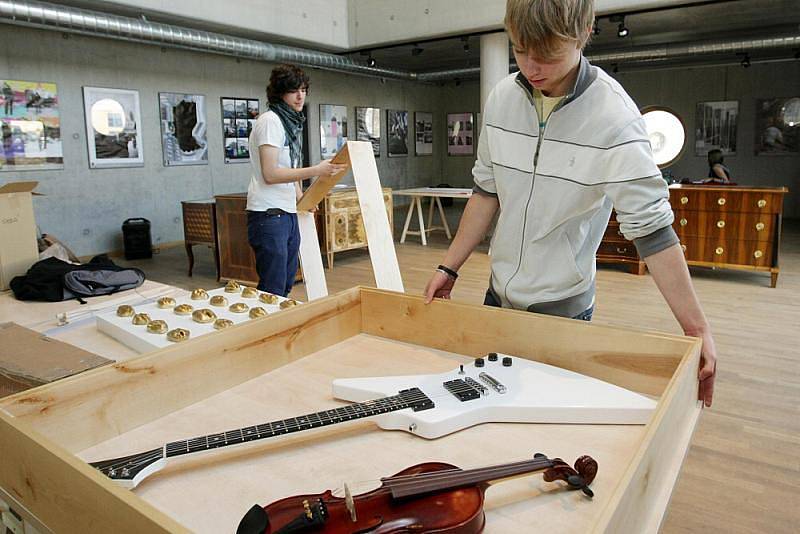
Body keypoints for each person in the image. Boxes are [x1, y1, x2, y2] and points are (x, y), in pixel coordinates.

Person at [423, 0, 716, 407]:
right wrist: (448, 267)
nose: (531, 67)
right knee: (488, 408)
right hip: (497, 297)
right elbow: (486, 192)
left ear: (584, 33)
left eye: (547, 55)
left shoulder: (615, 118)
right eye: (520, 50)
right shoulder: (502, 100)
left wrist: (696, 328)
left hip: (563, 309)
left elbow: (652, 231)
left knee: (544, 418)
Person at [247, 64, 346, 296]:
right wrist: (317, 170)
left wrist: (303, 200)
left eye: (303, 89)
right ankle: (268, 332)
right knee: (272, 289)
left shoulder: (288, 123)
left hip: (286, 212)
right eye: (293, 90)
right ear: (280, 93)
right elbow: (270, 174)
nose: (300, 95)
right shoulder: (271, 121)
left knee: (285, 285)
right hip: (269, 214)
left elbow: (288, 170)